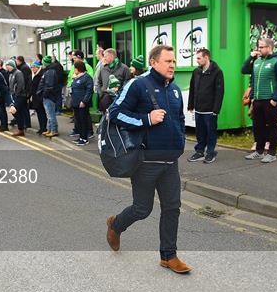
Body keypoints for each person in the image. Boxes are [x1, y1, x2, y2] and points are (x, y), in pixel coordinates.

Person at [106, 45, 191, 274]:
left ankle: (168, 256)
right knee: (142, 209)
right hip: (145, 161)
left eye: (174, 61)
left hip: (170, 161)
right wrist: (146, 119)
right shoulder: (138, 84)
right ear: (154, 62)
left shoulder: (174, 90)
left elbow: (180, 119)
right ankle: (115, 225)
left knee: (172, 208)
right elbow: (115, 113)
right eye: (167, 61)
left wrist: (180, 142)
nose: (172, 65)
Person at [244, 38, 277, 163]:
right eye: (259, 46)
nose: (259, 49)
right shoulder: (257, 61)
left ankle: (272, 153)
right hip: (257, 100)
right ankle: (259, 151)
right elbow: (245, 71)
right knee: (258, 126)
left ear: (269, 47)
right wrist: (252, 97)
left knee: (272, 127)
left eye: (262, 47)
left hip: (270, 100)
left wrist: (275, 99)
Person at [187, 48, 225, 164]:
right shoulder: (196, 72)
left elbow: (220, 92)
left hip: (210, 111)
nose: (197, 61)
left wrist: (216, 109)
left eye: (199, 58)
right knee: (200, 132)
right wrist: (191, 105)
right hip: (199, 109)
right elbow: (192, 89)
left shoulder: (217, 72)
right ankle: (199, 152)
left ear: (206, 57)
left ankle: (210, 152)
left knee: (211, 132)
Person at [70, 60, 93, 146]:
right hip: (75, 103)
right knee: (78, 121)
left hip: (82, 104)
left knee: (83, 121)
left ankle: (84, 138)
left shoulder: (86, 78)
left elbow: (89, 91)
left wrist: (84, 101)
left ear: (78, 68)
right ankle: (80, 137)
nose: (74, 70)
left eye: (74, 68)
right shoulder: (76, 77)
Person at [37, 55, 60, 137]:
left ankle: (54, 130)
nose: (41, 65)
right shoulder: (49, 71)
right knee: (49, 114)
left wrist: (44, 94)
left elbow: (49, 86)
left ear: (45, 64)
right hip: (48, 96)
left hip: (49, 96)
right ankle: (50, 129)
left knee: (51, 114)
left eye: (42, 63)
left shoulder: (49, 72)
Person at [6, 60, 27, 137]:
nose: (7, 67)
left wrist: (16, 94)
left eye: (8, 65)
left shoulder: (18, 73)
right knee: (18, 112)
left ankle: (21, 129)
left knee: (14, 111)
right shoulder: (11, 74)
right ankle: (21, 128)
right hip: (14, 95)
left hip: (20, 96)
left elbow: (21, 84)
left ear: (12, 65)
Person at [30, 60, 47, 135]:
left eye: (34, 67)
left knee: (42, 113)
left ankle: (44, 128)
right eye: (32, 67)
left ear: (37, 67)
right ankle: (41, 128)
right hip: (35, 97)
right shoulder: (34, 74)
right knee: (39, 113)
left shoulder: (41, 74)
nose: (32, 69)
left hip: (40, 97)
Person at [16, 56, 32, 128]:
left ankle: (27, 123)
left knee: (24, 108)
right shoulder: (23, 67)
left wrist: (25, 91)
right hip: (24, 91)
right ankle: (25, 123)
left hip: (24, 91)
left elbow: (24, 80)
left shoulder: (24, 68)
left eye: (16, 61)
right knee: (23, 108)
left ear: (19, 61)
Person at [0, 57, 10, 132]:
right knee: (0, 111)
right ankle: (3, 125)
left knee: (1, 110)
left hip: (1, 95)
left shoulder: (3, 72)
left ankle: (4, 125)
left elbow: (4, 84)